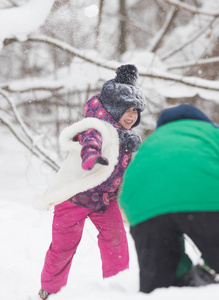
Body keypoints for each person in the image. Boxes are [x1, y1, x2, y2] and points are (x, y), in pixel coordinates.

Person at [33, 64, 146, 299]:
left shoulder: (127, 140)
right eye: (127, 109)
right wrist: (91, 155)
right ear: (114, 108)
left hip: (104, 201)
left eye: (136, 111)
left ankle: (117, 289)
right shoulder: (97, 126)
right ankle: (49, 290)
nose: (132, 115)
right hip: (74, 198)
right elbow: (90, 139)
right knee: (63, 248)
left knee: (117, 244)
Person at [119, 103, 219, 293]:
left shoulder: (151, 142)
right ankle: (209, 270)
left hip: (145, 207)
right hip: (206, 196)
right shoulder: (211, 133)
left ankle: (177, 275)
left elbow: (129, 183)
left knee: (161, 284)